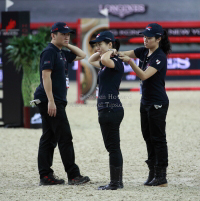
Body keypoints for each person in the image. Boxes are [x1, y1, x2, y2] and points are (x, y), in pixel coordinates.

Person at [34, 22, 90, 186]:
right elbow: (46, 77)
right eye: (63, 34)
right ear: (53, 35)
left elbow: (82, 55)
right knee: (65, 137)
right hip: (50, 100)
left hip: (54, 100)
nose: (67, 36)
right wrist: (51, 101)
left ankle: (46, 176)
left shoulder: (61, 53)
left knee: (49, 138)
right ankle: (73, 175)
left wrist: (67, 44)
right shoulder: (49, 52)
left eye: (68, 34)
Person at [119, 23, 171, 187]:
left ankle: (161, 176)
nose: (145, 40)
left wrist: (130, 62)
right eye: (144, 37)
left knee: (158, 138)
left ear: (158, 39)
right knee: (148, 137)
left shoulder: (159, 56)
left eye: (149, 38)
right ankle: (152, 173)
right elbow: (126, 53)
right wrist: (113, 52)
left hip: (158, 102)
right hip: (145, 101)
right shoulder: (143, 51)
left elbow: (143, 75)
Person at [88, 31, 124, 190]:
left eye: (100, 44)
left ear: (110, 44)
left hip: (110, 109)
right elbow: (91, 59)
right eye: (96, 45)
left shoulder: (114, 61)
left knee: (113, 147)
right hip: (106, 109)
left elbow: (103, 59)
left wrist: (109, 51)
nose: (97, 48)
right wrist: (103, 51)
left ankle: (115, 182)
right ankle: (116, 181)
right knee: (112, 147)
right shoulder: (107, 61)